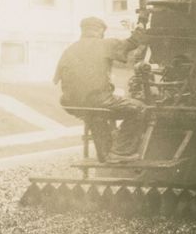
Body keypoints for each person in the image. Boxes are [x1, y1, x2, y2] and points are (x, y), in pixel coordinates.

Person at [53, 17, 148, 163]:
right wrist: (141, 24)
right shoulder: (104, 44)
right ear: (100, 30)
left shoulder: (69, 49)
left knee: (96, 114)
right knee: (140, 108)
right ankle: (120, 151)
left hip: (70, 102)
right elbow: (133, 42)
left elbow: (57, 79)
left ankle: (106, 154)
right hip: (97, 99)